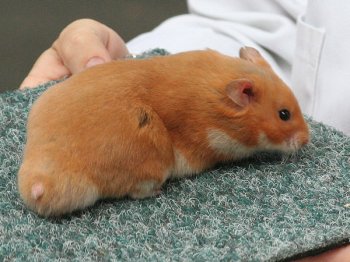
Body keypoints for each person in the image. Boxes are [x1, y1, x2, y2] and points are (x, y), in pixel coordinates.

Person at [19, 1, 350, 260]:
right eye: (283, 116)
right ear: (242, 94)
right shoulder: (225, 110)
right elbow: (243, 21)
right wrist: (122, 61)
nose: (302, 138)